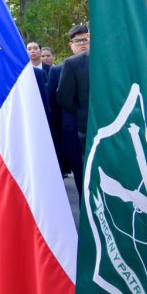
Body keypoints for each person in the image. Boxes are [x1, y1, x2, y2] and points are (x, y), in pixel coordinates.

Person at [56, 24, 91, 192]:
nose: (83, 43)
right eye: (78, 41)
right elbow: (62, 99)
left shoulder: (104, 61)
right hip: (76, 131)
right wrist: (82, 112)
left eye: (86, 39)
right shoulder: (64, 67)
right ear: (71, 44)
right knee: (83, 176)